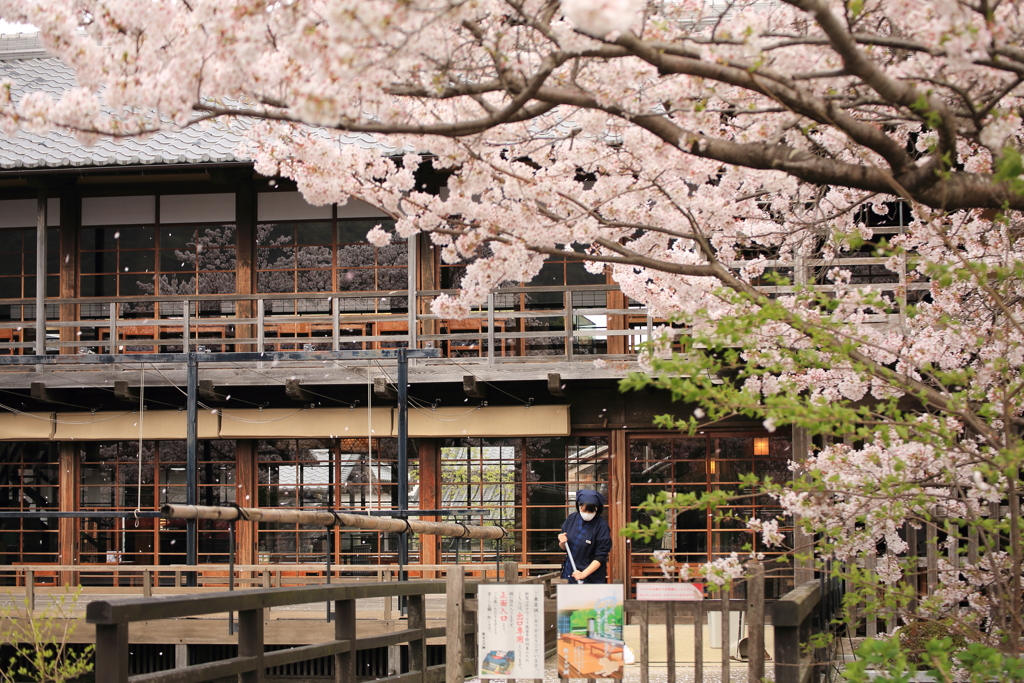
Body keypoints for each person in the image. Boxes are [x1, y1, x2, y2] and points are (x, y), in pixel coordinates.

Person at [557, 489, 612, 584]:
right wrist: (562, 542)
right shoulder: (571, 519)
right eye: (584, 509)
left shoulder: (601, 526)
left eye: (591, 510)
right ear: (579, 506)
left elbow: (601, 556)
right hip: (569, 572)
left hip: (591, 577)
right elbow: (564, 547)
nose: (587, 513)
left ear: (597, 509)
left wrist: (584, 574)